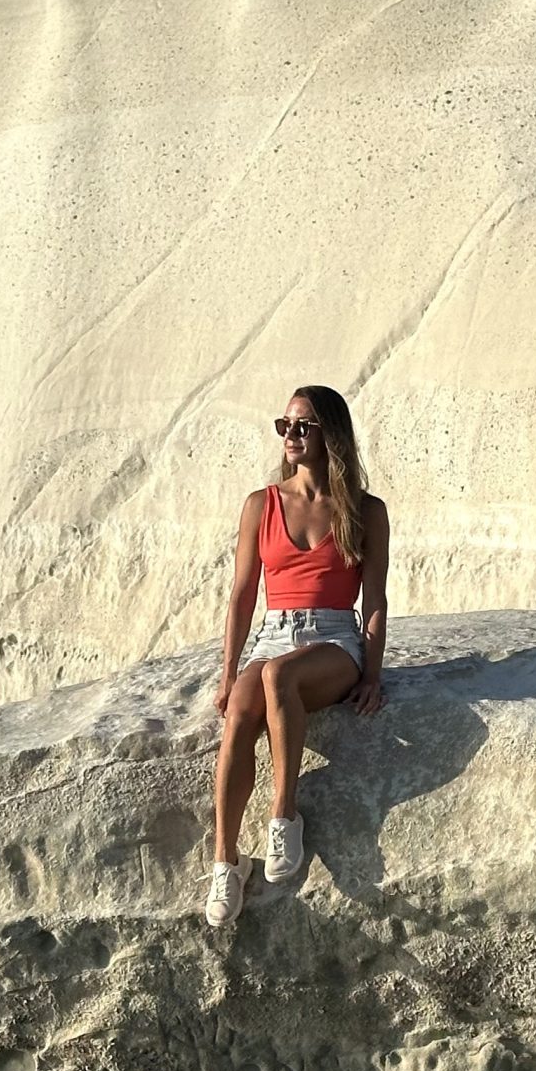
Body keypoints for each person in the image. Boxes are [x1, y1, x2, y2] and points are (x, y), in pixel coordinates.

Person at [206, 385, 388, 928]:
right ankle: (226, 861)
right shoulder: (261, 504)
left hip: (333, 638)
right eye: (284, 425)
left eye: (303, 426)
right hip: (272, 633)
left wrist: (373, 673)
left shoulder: (365, 509)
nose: (291, 435)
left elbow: (374, 598)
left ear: (330, 434)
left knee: (281, 679)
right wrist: (228, 671)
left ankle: (284, 814)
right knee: (240, 711)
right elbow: (242, 594)